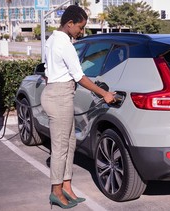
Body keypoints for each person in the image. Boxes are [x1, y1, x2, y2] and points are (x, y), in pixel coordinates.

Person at [41, 5, 115, 209]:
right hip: (60, 97)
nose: (81, 32)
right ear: (69, 23)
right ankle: (56, 192)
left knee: (69, 143)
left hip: (56, 93)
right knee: (60, 148)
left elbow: (47, 71)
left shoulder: (52, 39)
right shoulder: (65, 44)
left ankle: (67, 187)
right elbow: (80, 77)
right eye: (80, 28)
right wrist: (105, 94)